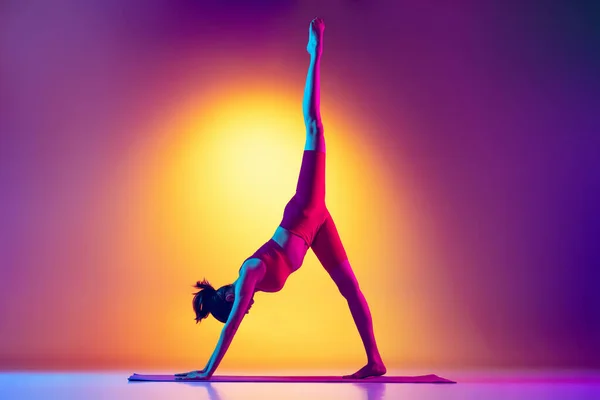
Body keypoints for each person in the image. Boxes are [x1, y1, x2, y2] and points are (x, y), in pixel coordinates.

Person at [176, 18, 386, 380]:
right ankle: (376, 361)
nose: (248, 306)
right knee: (351, 289)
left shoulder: (249, 273)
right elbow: (233, 321)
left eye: (242, 307)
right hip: (315, 228)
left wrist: (207, 371)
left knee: (315, 127)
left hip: (304, 213)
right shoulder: (248, 279)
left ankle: (314, 53)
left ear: (230, 298)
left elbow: (230, 330)